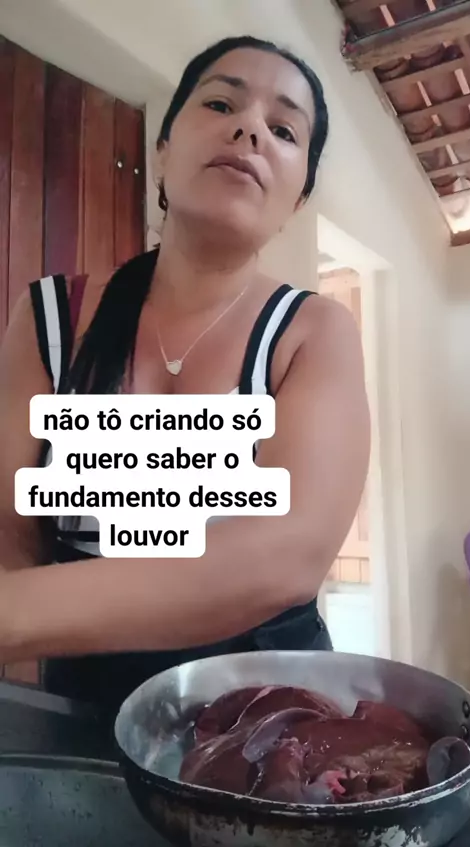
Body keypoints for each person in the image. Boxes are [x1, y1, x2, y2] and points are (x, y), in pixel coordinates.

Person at [0, 36, 370, 715]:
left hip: (271, 716)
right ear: (164, 150)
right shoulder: (48, 317)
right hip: (88, 710)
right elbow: (9, 533)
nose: (249, 128)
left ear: (298, 198)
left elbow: (285, 556)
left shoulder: (314, 332)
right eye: (222, 104)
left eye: (284, 130)